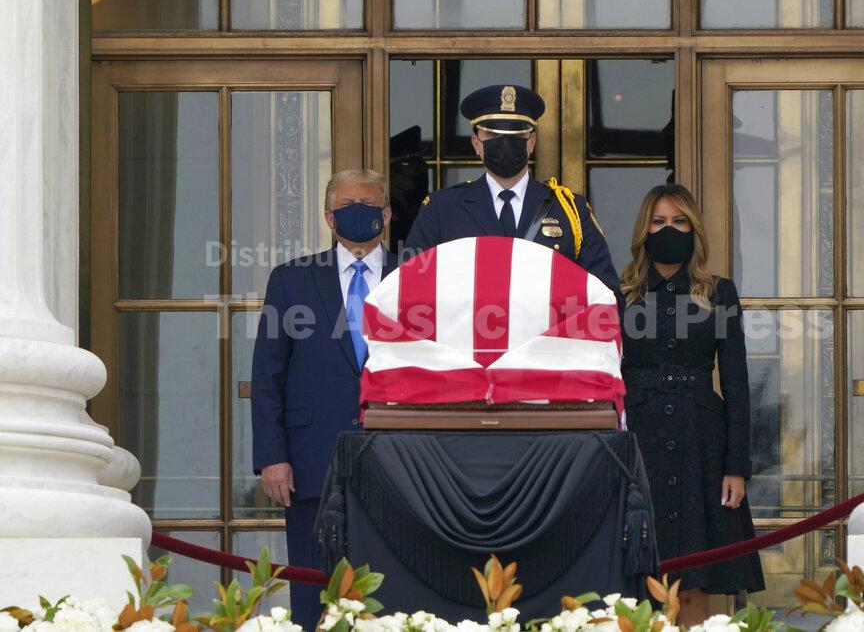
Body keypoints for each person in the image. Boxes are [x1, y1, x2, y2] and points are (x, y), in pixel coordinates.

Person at [251, 169, 400, 630]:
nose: (359, 213)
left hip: (398, 461)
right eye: (347, 205)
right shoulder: (291, 280)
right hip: (311, 460)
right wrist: (273, 458)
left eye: (370, 204)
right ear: (328, 217)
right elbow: (268, 374)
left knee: (391, 594)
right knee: (314, 591)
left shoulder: (414, 275)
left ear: (388, 214)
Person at [620, 183, 764, 625]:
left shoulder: (718, 292)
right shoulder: (619, 293)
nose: (669, 229)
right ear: (644, 229)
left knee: (695, 580)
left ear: (694, 229)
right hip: (637, 439)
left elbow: (736, 382)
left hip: (701, 441)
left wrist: (736, 465)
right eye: (659, 221)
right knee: (638, 578)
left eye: (679, 221)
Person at [404, 84, 620, 298]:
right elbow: (412, 291)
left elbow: (605, 295)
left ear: (532, 142)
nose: (505, 143)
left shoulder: (570, 211)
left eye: (516, 135)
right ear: (476, 143)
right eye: (493, 135)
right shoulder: (442, 209)